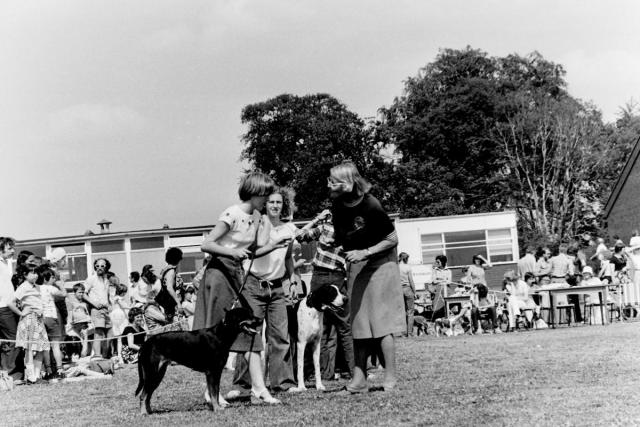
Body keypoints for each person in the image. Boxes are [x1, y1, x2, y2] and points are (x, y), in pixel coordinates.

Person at [193, 171, 284, 406]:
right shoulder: (232, 214)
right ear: (254, 193)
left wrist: (274, 245)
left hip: (236, 275)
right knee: (216, 337)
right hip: (219, 275)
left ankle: (259, 389)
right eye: (266, 194)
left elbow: (251, 252)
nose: (269, 199)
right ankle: (211, 392)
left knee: (249, 329)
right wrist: (232, 252)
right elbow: (207, 244)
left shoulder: (256, 217)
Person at [329, 162, 405, 393]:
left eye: (333, 181)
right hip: (358, 266)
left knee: (381, 323)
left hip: (381, 265)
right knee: (359, 324)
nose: (328, 184)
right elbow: (345, 237)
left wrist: (366, 252)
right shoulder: (338, 206)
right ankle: (359, 380)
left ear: (349, 183)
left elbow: (392, 239)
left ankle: (390, 378)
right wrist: (322, 237)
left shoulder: (371, 205)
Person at [231, 186, 297, 394]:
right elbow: (250, 253)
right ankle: (243, 385)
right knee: (250, 334)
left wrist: (292, 279)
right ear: (264, 204)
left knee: (280, 336)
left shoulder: (290, 229)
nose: (275, 205)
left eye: (279, 202)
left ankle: (283, 382)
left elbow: (287, 258)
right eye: (271, 202)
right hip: (253, 284)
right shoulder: (256, 225)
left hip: (277, 287)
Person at [296, 209, 355, 382]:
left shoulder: (338, 230)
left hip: (328, 276)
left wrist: (318, 221)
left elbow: (301, 237)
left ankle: (337, 372)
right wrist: (317, 219)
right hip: (329, 276)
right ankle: (330, 373)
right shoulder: (331, 229)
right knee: (330, 327)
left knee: (333, 327)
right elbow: (299, 236)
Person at [14, 257, 50, 383]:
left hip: (39, 319)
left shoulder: (36, 287)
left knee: (41, 347)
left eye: (36, 273)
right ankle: (30, 376)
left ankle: (37, 375)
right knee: (29, 348)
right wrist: (21, 312)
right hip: (29, 319)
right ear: (25, 275)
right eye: (32, 273)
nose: (35, 275)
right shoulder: (23, 287)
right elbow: (11, 302)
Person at [0, 237, 22, 383]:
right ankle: (11, 374)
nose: (13, 251)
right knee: (15, 339)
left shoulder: (4, 264)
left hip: (7, 306)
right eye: (10, 248)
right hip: (3, 308)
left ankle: (4, 372)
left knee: (6, 342)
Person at [39, 266, 67, 380]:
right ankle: (60, 369)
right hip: (51, 317)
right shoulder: (50, 288)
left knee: (45, 346)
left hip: (41, 318)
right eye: (52, 277)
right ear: (46, 278)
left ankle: (48, 369)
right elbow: (63, 294)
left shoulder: (37, 288)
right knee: (55, 345)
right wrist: (61, 284)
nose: (53, 279)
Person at [83, 258, 113, 358]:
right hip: (97, 310)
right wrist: (94, 304)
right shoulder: (91, 279)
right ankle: (97, 356)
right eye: (97, 266)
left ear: (106, 267)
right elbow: (84, 294)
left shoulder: (107, 280)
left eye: (102, 266)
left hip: (106, 310)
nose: (99, 268)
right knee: (99, 333)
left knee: (109, 334)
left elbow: (107, 295)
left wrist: (109, 304)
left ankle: (104, 357)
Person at [156, 247, 185, 322]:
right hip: (173, 306)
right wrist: (178, 303)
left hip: (169, 305)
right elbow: (169, 287)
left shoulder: (165, 270)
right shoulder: (171, 271)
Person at [65, 283, 91, 357]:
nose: (81, 294)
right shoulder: (71, 301)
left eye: (83, 292)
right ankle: (77, 354)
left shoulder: (84, 302)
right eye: (79, 292)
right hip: (75, 323)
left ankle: (84, 354)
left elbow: (87, 312)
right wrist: (69, 322)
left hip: (84, 323)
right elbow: (70, 312)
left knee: (85, 338)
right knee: (78, 338)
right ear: (75, 292)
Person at [397, 252, 416, 337]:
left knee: (402, 312)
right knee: (410, 312)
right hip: (407, 289)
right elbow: (411, 281)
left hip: (398, 290)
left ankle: (403, 333)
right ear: (406, 259)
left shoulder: (395, 267)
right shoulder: (407, 267)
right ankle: (410, 333)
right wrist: (414, 292)